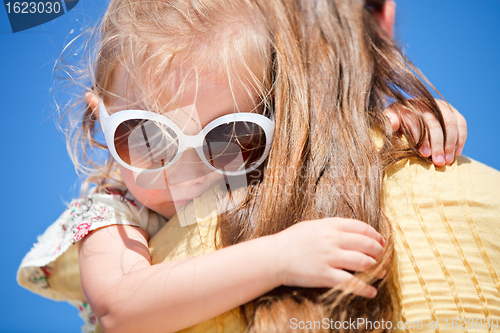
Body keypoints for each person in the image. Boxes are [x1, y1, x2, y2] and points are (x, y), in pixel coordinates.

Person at [17, 0, 483, 332]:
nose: (187, 169)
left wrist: (400, 120)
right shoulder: (109, 213)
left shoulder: (252, 161)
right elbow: (122, 309)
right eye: (149, 135)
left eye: (228, 135)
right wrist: (279, 257)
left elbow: (322, 142)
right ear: (99, 118)